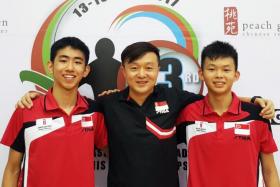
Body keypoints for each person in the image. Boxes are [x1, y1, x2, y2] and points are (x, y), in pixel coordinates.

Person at [16, 42, 275, 187]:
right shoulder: (106, 104)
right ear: (124, 71)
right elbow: (70, 106)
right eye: (135, 67)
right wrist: (37, 97)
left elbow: (218, 96)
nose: (142, 74)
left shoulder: (175, 97)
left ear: (158, 70)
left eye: (149, 67)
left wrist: (252, 100)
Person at [1, 37, 108, 187]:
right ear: (50, 66)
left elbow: (116, 152)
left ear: (85, 70)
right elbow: (12, 169)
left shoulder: (95, 112)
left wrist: (119, 102)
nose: (70, 68)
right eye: (63, 60)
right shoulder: (26, 110)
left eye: (77, 62)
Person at [176, 41, 280, 187]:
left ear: (236, 75)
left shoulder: (257, 116)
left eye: (226, 70)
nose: (219, 75)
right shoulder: (185, 114)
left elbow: (269, 172)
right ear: (201, 74)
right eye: (212, 69)